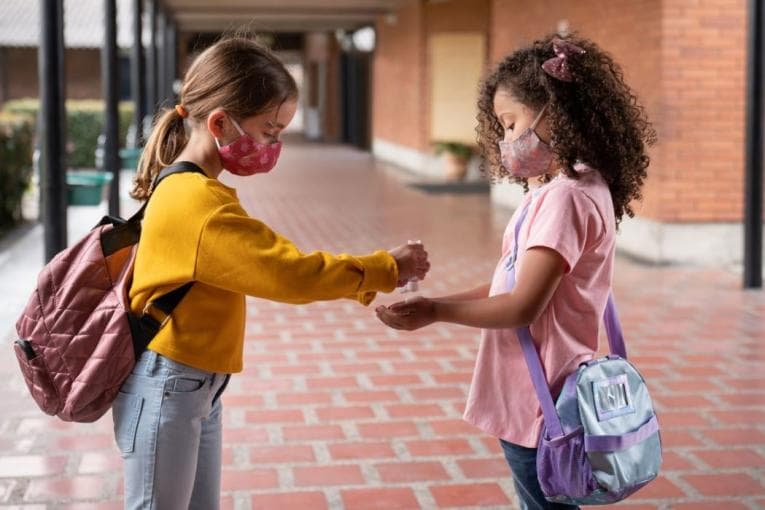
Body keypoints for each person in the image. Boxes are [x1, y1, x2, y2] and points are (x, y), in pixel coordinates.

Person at [112, 36, 430, 510]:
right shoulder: (199, 204)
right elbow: (289, 274)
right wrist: (384, 267)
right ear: (219, 122)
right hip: (169, 385)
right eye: (269, 131)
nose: (273, 146)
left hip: (194, 384)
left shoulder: (191, 185)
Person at [376, 33, 655, 510]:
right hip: (550, 391)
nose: (506, 140)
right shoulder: (573, 187)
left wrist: (437, 311)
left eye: (510, 124)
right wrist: (435, 304)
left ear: (555, 115)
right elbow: (512, 282)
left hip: (538, 400)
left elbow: (522, 305)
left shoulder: (565, 198)